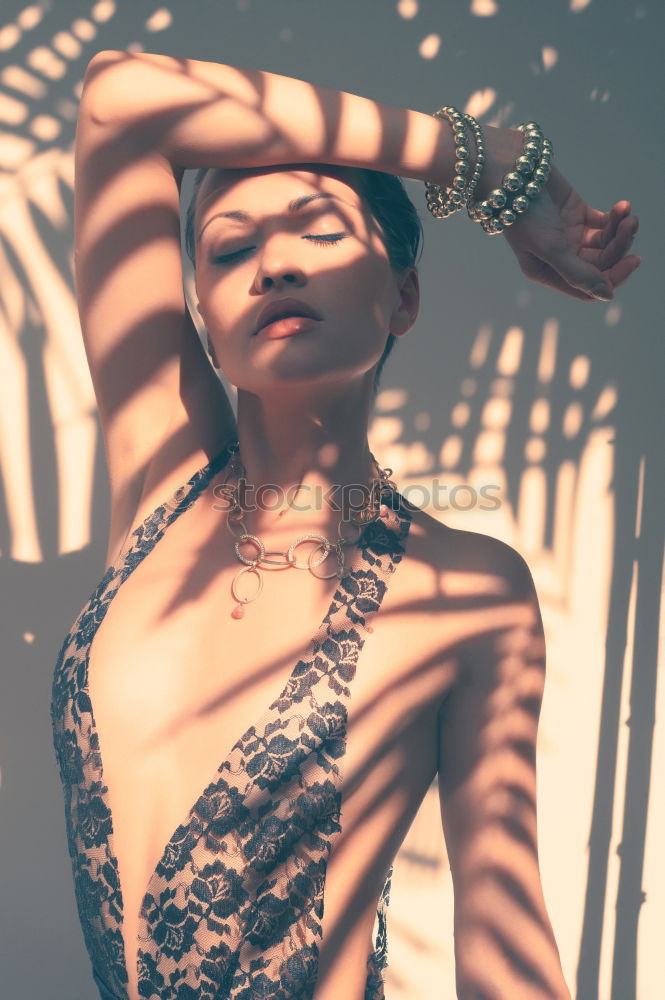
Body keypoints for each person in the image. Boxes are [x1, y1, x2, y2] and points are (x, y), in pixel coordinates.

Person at [50, 49, 640, 1000]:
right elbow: (120, 100)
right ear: (199, 314)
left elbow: (503, 941)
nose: (274, 262)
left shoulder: (471, 591)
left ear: (402, 295)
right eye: (231, 250)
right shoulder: (161, 477)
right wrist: (479, 165)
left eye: (317, 232)